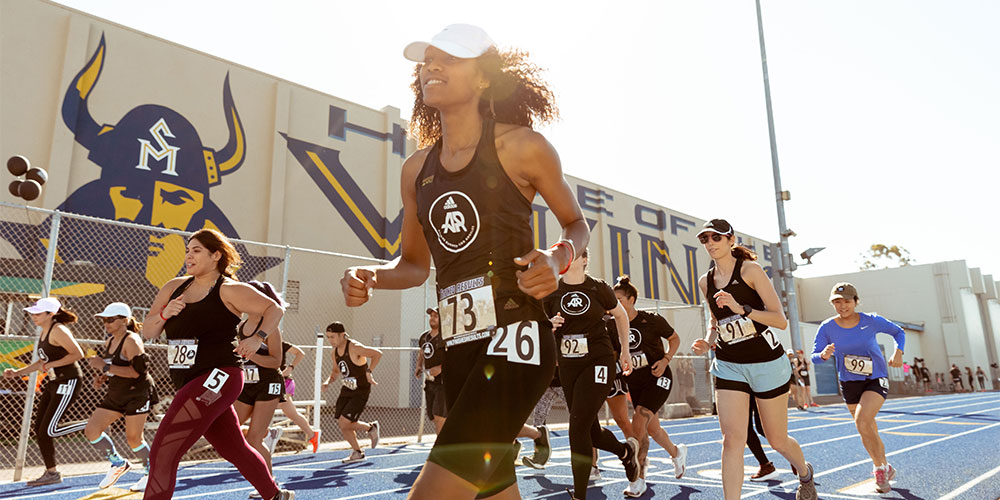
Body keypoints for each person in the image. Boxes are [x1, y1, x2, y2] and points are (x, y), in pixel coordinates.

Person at [341, 23, 589, 499]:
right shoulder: (417, 170)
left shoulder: (522, 146)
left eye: (450, 59)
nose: (432, 67)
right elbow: (413, 266)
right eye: (427, 60)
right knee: (493, 491)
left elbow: (576, 224)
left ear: (482, 77)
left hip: (516, 340)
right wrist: (371, 275)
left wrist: (557, 260)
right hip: (461, 348)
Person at [141, 228, 293, 500]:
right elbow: (148, 331)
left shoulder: (230, 289)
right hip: (189, 381)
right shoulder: (174, 288)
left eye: (196, 250)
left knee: (164, 449)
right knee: (234, 448)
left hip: (220, 375)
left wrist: (258, 338)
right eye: (188, 250)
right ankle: (275, 495)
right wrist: (166, 313)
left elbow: (275, 309)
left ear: (216, 255)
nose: (189, 255)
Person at [690, 219, 815, 500]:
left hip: (766, 363)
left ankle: (804, 473)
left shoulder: (751, 270)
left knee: (777, 439)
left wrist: (741, 308)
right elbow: (715, 320)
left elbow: (779, 321)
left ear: (731, 239)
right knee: (732, 440)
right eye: (704, 239)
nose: (709, 244)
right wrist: (707, 341)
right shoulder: (704, 281)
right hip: (729, 363)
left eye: (715, 238)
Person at [543, 249, 639, 499]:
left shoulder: (598, 288)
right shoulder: (552, 290)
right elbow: (540, 325)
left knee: (576, 428)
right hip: (568, 365)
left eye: (571, 254)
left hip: (598, 360)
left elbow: (620, 315)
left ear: (585, 259)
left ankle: (580, 495)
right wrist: (548, 325)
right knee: (590, 431)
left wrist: (626, 351)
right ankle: (626, 453)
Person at [812, 282, 905, 494]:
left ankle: (879, 470)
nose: (842, 306)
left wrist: (898, 351)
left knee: (862, 422)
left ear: (856, 301)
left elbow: (898, 332)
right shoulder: (827, 327)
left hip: (875, 378)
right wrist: (823, 355)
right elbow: (815, 357)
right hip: (849, 382)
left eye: (846, 301)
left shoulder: (870, 320)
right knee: (867, 427)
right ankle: (885, 466)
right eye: (837, 302)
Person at [613, 276, 687, 497]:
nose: (616, 305)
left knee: (639, 420)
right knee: (653, 429)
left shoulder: (651, 320)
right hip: (635, 382)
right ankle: (676, 453)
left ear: (632, 299)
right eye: (613, 301)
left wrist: (665, 360)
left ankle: (638, 479)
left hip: (659, 377)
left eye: (620, 300)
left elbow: (675, 339)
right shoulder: (612, 325)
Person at [3, 297, 86, 487]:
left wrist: (50, 365)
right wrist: (18, 373)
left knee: (49, 428)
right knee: (40, 429)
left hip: (69, 381)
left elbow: (78, 354)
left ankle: (90, 425)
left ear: (51, 314)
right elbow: (42, 363)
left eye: (38, 313)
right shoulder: (44, 331)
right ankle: (52, 472)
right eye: (32, 313)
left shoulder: (59, 330)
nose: (33, 316)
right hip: (53, 382)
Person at [84, 302, 155, 492]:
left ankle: (152, 473)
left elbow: (136, 373)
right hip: (117, 392)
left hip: (137, 393)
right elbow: (115, 366)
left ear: (124, 321)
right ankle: (118, 463)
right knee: (92, 430)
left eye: (111, 319)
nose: (106, 323)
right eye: (104, 320)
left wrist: (104, 366)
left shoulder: (132, 341)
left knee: (134, 438)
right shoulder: (109, 341)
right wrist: (103, 377)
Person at [233, 281, 287, 497]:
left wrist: (250, 352)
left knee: (254, 439)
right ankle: (269, 435)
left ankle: (269, 485)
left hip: (269, 384)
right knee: (231, 428)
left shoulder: (270, 327)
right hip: (247, 384)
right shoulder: (240, 326)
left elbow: (276, 362)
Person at [322, 322, 382, 463]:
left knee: (345, 422)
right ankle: (357, 452)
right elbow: (336, 371)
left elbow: (377, 354)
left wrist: (369, 371)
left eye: (333, 337)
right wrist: (328, 382)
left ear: (342, 335)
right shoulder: (334, 352)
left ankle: (371, 428)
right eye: (328, 337)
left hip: (360, 390)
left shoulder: (354, 347)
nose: (330, 340)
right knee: (343, 424)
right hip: (347, 389)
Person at [276, 341, 321, 453]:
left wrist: (290, 368)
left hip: (283, 383)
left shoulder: (281, 344)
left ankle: (313, 435)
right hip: (268, 383)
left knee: (290, 413)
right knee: (291, 413)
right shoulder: (256, 344)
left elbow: (300, 353)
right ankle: (312, 435)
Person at [415, 308, 448, 434]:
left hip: (443, 382)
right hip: (430, 382)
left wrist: (441, 368)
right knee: (434, 417)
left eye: (436, 316)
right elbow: (422, 352)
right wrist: (418, 366)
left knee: (439, 416)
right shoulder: (424, 337)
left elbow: (455, 357)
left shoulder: (446, 337)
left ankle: (440, 448)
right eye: (431, 316)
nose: (432, 318)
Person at [746, 398, 778, 481]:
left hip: (750, 389)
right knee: (748, 429)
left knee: (760, 427)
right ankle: (765, 465)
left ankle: (794, 455)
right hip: (748, 389)